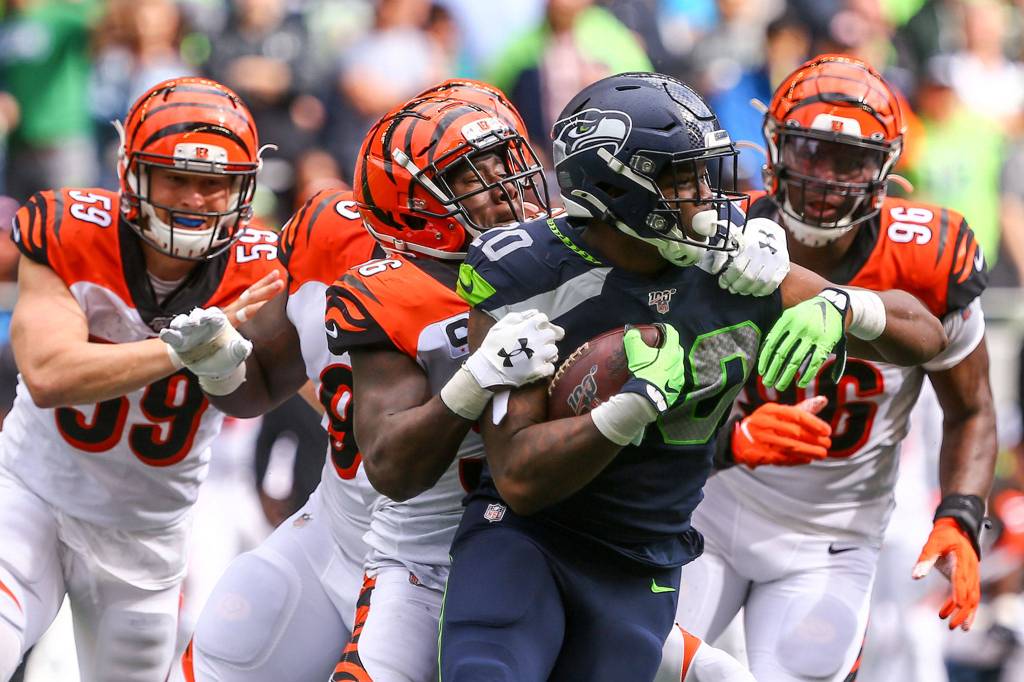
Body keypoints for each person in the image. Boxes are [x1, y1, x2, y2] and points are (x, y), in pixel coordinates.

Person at [436, 71, 948, 681]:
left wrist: (845, 306)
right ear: (612, 187)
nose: (707, 195)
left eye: (705, 173)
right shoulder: (528, 271)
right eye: (682, 177)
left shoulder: (734, 265)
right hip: (527, 541)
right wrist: (633, 406)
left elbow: (925, 336)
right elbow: (519, 478)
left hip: (643, 563)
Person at [164, 79, 542, 682]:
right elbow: (260, 385)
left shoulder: (550, 268)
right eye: (473, 176)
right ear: (411, 201)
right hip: (333, 535)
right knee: (226, 648)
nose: (508, 189)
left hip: (450, 565)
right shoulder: (330, 234)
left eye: (507, 163)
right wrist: (217, 362)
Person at [669, 54, 996, 682]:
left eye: (848, 161)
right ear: (774, 149)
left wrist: (960, 515)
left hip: (832, 536)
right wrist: (729, 438)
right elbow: (656, 392)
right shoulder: (721, 238)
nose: (824, 178)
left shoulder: (927, 258)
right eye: (811, 152)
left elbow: (972, 407)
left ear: (884, 170)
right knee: (638, 659)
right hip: (706, 507)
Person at [0, 77, 284, 682]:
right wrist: (179, 351)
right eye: (176, 177)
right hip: (31, 496)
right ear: (132, 173)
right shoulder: (72, 230)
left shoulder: (263, 268)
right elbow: (48, 373)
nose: (195, 199)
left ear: (244, 187)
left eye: (214, 183)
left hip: (146, 532)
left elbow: (317, 393)